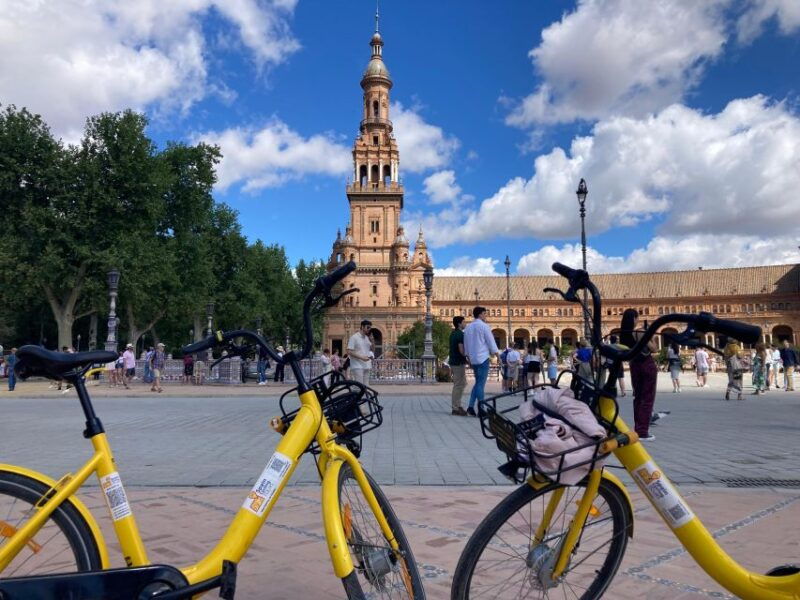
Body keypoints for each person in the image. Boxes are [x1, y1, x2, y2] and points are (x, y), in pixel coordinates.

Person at [620, 309, 658, 441]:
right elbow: (654, 349)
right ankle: (642, 431)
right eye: (638, 317)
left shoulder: (623, 334)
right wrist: (651, 335)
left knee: (638, 397)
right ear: (634, 319)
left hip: (634, 365)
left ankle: (638, 428)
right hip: (646, 365)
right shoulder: (640, 332)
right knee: (647, 398)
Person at [463, 306, 500, 416]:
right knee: (480, 384)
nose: (485, 316)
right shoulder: (484, 326)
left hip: (473, 359)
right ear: (480, 314)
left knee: (477, 383)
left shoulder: (468, 328)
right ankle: (481, 408)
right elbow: (491, 342)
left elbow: (466, 344)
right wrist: (498, 356)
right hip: (483, 358)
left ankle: (470, 407)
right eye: (485, 313)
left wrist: (468, 357)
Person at [448, 316, 468, 416]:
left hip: (454, 362)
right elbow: (461, 350)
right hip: (458, 363)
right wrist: (468, 358)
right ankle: (455, 408)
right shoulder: (460, 334)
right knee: (458, 385)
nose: (465, 323)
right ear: (459, 324)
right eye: (464, 322)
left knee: (462, 383)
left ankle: (457, 405)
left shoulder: (453, 333)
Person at [347, 321, 373, 385]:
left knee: (366, 386)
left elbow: (372, 349)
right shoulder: (354, 337)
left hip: (367, 365)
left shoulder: (367, 338)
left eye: (370, 328)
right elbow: (349, 351)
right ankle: (353, 395)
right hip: (357, 365)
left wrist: (372, 340)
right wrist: (361, 357)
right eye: (368, 327)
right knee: (358, 387)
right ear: (362, 327)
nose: (369, 329)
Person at [723, 337, 744, 401]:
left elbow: (725, 357)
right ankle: (739, 395)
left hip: (729, 365)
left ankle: (728, 391)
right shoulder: (736, 347)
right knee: (739, 380)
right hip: (736, 366)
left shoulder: (726, 347)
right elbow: (739, 356)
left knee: (731, 380)